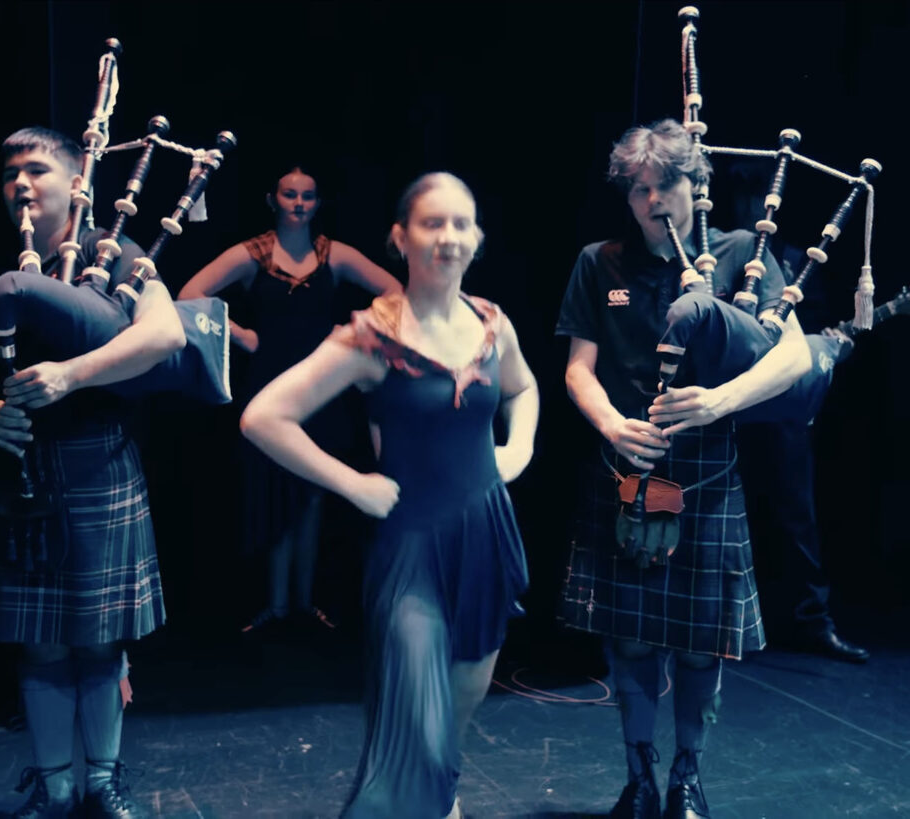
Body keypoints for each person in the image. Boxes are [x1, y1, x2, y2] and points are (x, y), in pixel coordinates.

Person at [240, 172, 538, 818]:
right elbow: (264, 417)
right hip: (411, 552)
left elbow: (522, 388)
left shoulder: (492, 324)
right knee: (415, 723)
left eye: (461, 223)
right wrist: (352, 484)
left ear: (477, 238)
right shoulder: (370, 337)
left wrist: (517, 450)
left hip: (485, 537)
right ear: (401, 238)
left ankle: (441, 801)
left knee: (457, 710)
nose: (449, 236)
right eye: (433, 223)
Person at [556, 120, 811, 819]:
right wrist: (613, 425)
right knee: (631, 637)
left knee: (701, 647)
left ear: (696, 185)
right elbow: (578, 369)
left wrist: (720, 401)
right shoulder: (598, 263)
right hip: (629, 468)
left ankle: (686, 778)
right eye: (638, 189)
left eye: (665, 183)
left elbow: (793, 356)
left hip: (708, 473)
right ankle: (639, 777)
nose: (651, 200)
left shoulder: (742, 256)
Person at [0, 127, 184, 819]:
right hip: (19, 471)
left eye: (36, 169)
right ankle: (54, 788)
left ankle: (102, 783)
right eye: (9, 172)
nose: (20, 183)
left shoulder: (120, 258)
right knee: (41, 644)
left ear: (78, 182)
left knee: (100, 643)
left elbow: (165, 336)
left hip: (98, 462)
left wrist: (71, 375)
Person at [179, 165, 401, 634]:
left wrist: (359, 328)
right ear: (272, 200)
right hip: (270, 386)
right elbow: (189, 295)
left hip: (322, 388)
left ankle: (304, 602)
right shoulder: (253, 254)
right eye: (290, 194)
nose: (299, 203)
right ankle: (277, 605)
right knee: (276, 492)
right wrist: (239, 335)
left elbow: (394, 291)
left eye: (307, 196)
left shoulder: (333, 254)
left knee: (314, 494)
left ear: (318, 203)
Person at [728, 162, 869, 663]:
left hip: (782, 407)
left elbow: (816, 329)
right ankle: (723, 621)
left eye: (757, 196)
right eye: (743, 196)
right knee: (720, 512)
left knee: (796, 515)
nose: (750, 206)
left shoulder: (794, 260)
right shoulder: (722, 253)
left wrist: (830, 346)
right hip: (726, 403)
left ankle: (811, 620)